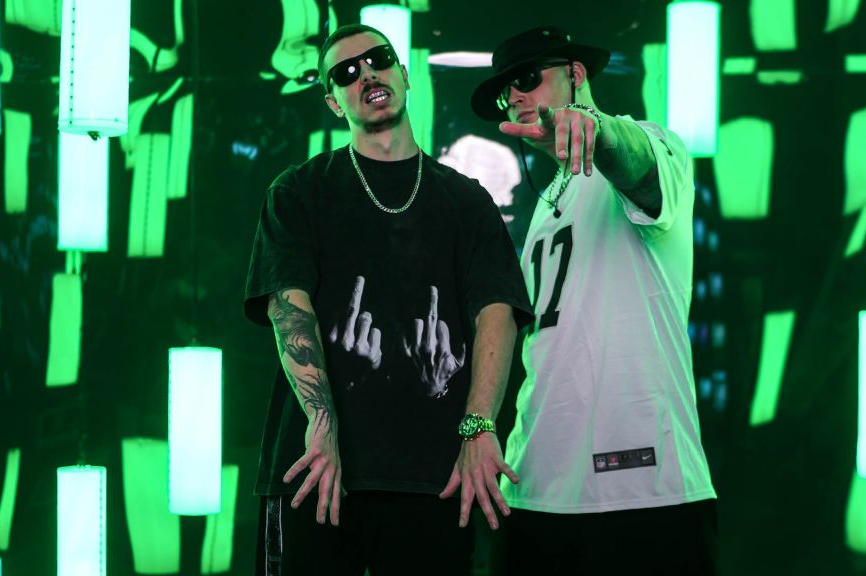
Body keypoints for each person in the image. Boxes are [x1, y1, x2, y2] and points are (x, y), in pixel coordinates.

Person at [244, 23, 533, 576]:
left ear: (404, 74)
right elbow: (288, 306)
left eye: (378, 60)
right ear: (333, 101)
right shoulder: (299, 191)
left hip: (434, 479)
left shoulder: (467, 201)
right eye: (347, 72)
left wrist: (480, 427)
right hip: (318, 473)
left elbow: (497, 312)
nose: (367, 74)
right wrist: (322, 424)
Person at [470, 26, 718, 575]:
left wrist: (597, 126)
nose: (515, 96)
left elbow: (637, 165)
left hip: (642, 488)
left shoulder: (652, 141)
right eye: (506, 92)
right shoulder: (545, 204)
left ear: (576, 74)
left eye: (527, 78)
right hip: (534, 484)